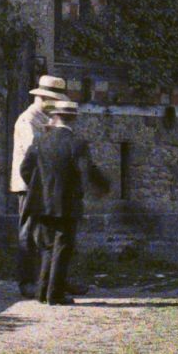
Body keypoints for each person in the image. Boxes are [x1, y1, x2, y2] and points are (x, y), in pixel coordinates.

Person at [17, 98, 109, 305]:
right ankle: (55, 294)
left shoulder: (40, 141)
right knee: (63, 247)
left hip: (41, 204)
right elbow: (86, 172)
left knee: (47, 248)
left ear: (54, 116)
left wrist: (39, 188)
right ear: (73, 119)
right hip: (66, 204)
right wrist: (101, 186)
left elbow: (25, 169)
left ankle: (42, 292)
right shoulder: (77, 144)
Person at [10, 74, 69, 297]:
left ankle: (53, 281)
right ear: (43, 98)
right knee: (28, 233)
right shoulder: (29, 120)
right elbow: (34, 155)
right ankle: (27, 282)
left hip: (45, 184)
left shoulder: (46, 119)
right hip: (30, 184)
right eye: (54, 100)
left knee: (50, 235)